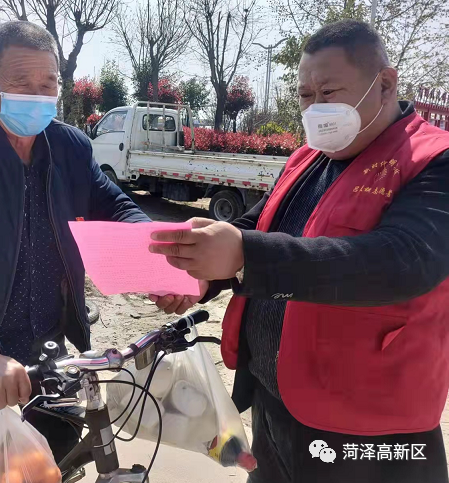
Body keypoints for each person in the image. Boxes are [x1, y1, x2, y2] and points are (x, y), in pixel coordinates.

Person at [149, 19, 449, 483]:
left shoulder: (433, 160)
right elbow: (258, 227)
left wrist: (245, 255)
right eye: (305, 96)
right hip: (276, 399)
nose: (314, 108)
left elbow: (403, 260)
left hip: (367, 425)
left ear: (385, 84)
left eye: (328, 92)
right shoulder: (307, 157)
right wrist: (203, 271)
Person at [0, 21, 170, 483]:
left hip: (44, 360)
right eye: (21, 83)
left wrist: (158, 261)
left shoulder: (70, 147)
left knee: (44, 464)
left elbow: (116, 208)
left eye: (48, 84)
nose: (37, 96)